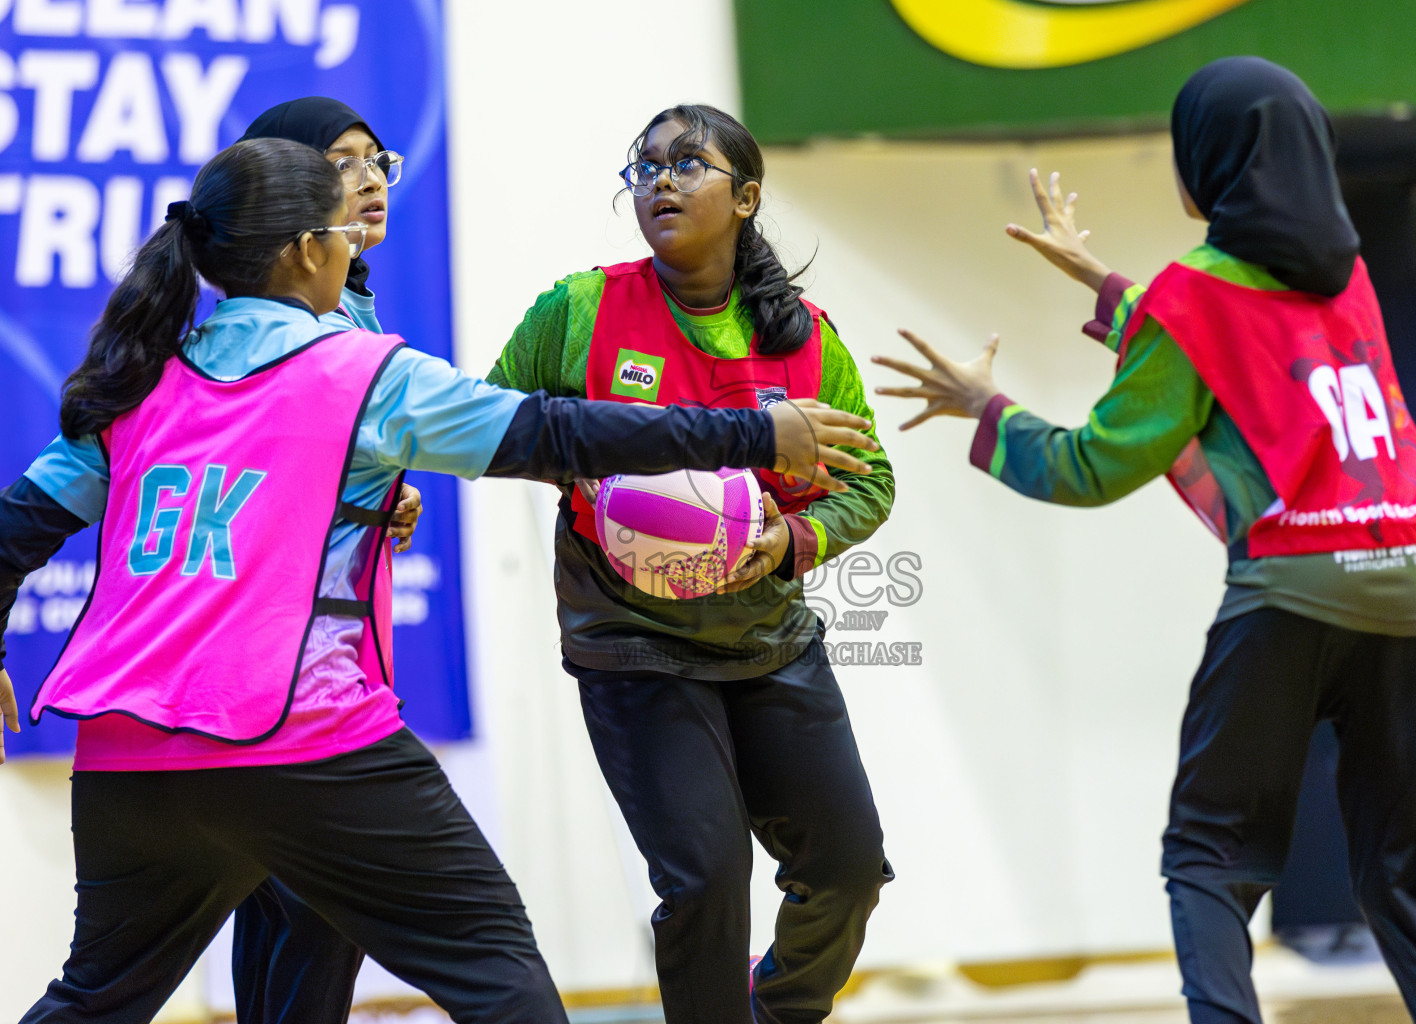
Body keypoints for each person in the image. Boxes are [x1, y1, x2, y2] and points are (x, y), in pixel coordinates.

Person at [0, 135, 877, 1024]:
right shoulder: (358, 371)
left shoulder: (140, 381)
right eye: (343, 227)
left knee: (95, 999)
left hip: (128, 751)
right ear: (310, 250)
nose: (355, 242)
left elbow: (11, 532)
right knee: (498, 972)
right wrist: (752, 437)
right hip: (300, 739)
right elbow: (553, 430)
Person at [873, 57, 1416, 1024]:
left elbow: (1089, 467)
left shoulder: (1194, 295)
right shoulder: (1348, 279)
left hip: (1294, 592)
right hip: (1407, 584)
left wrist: (985, 408)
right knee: (1412, 875)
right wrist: (1109, 287)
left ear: (1205, 164)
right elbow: (1250, 357)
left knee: (1209, 859)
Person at [485, 104, 895, 1024]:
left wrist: (792, 541)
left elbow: (870, 487)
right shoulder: (580, 309)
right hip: (631, 641)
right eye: (644, 166)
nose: (659, 181)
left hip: (769, 637)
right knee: (707, 881)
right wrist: (585, 477)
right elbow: (492, 426)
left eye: (687, 164)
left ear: (746, 197)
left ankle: (774, 1009)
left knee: (847, 870)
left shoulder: (803, 341)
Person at [229, 95, 421, 1024]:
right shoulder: (285, 325)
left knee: (285, 911)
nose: (373, 176)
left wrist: (378, 491)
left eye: (376, 156)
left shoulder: (351, 303)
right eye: (343, 162)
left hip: (317, 653)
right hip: (289, 673)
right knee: (318, 910)